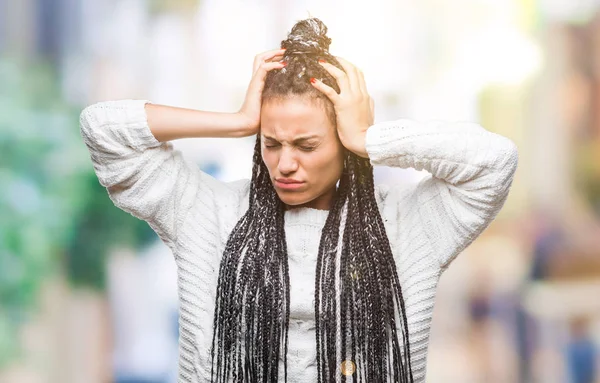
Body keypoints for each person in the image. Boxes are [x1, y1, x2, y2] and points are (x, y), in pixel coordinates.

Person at [79, 17, 518, 383]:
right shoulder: (206, 213)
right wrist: (235, 121)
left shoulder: (408, 224)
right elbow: (103, 129)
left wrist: (371, 138)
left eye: (306, 146)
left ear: (344, 148)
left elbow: (494, 162)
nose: (285, 164)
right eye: (271, 143)